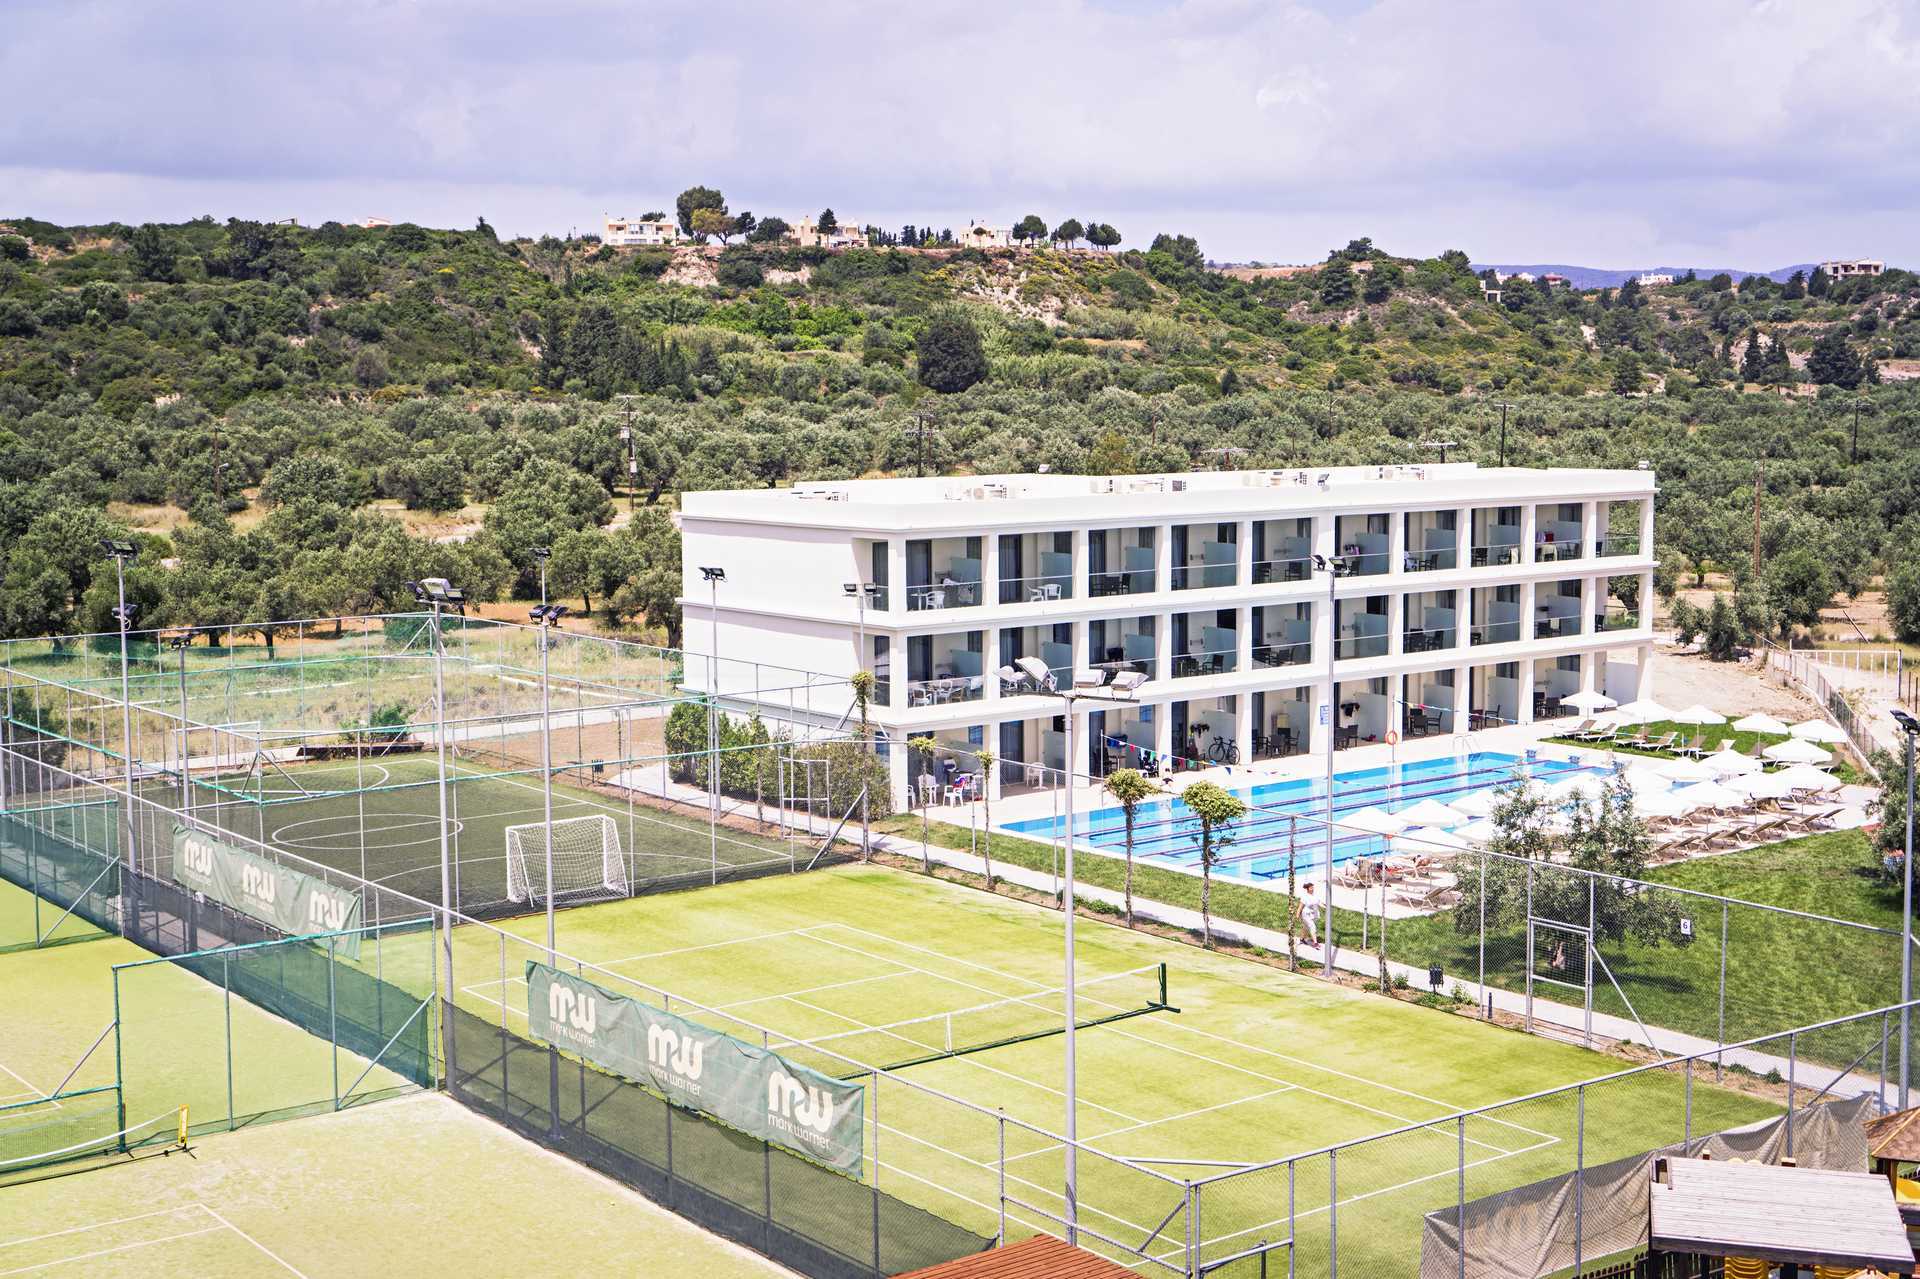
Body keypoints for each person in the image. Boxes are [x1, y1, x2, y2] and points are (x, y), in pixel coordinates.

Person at [1294, 881, 1321, 948]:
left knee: (1305, 927)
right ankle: (1315, 943)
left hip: (1313, 914)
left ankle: (1302, 939)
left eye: (1313, 887)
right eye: (1311, 888)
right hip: (1306, 915)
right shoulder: (1305, 897)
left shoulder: (1315, 896)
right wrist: (1297, 915)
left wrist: (1327, 907)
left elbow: (1319, 903)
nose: (1312, 889)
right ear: (1308, 889)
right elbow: (1300, 907)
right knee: (1312, 927)